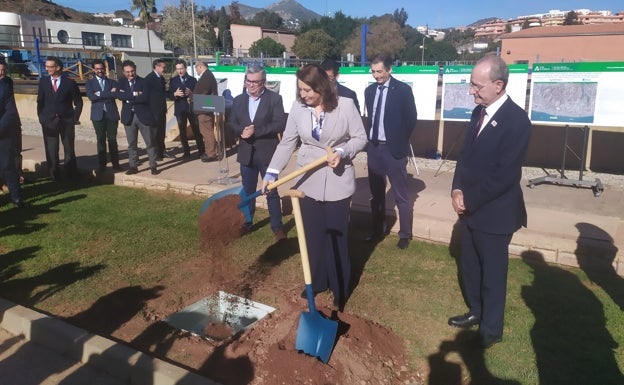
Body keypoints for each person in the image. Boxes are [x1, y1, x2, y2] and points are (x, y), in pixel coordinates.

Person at [262, 64, 367, 309]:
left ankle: (340, 288)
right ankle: (318, 281)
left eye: (307, 90)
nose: (303, 95)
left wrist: (343, 151)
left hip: (337, 180)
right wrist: (271, 171)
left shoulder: (346, 105)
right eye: (300, 90)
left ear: (321, 87)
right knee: (312, 237)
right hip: (307, 181)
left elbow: (360, 138)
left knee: (335, 238)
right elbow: (287, 142)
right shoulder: (298, 108)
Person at [448, 54, 531, 349]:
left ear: (498, 85)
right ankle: (476, 312)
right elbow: (464, 158)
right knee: (470, 265)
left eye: (477, 86)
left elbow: (505, 174)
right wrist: (457, 190)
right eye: (471, 85)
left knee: (492, 274)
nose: (472, 91)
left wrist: (469, 198)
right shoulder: (477, 113)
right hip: (469, 208)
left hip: (495, 213)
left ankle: (491, 329)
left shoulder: (517, 121)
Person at [364, 54, 417, 249]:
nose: (376, 76)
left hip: (394, 150)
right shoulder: (369, 91)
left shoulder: (402, 90)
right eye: (373, 72)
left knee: (401, 196)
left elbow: (411, 118)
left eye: (379, 72)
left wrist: (399, 140)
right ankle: (377, 230)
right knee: (376, 194)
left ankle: (405, 234)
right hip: (374, 149)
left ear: (389, 70)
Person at [228, 65, 286, 240]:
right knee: (248, 190)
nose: (251, 85)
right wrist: (241, 131)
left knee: (271, 190)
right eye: (248, 81)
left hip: (267, 152)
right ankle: (247, 222)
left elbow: (279, 124)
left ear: (263, 82)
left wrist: (256, 130)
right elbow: (231, 123)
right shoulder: (238, 100)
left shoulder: (274, 99)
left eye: (255, 82)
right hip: (246, 152)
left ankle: (277, 227)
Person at [36, 56, 83, 181]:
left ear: (58, 67)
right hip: (48, 122)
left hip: (66, 121)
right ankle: (54, 175)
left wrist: (75, 118)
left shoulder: (70, 83)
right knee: (51, 150)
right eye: (46, 66)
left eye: (50, 67)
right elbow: (40, 102)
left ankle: (71, 174)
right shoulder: (43, 82)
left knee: (69, 149)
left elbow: (78, 102)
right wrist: (41, 118)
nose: (47, 69)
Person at [115, 60, 159, 175]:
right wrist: (135, 94)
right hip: (128, 117)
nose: (130, 74)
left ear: (135, 69)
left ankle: (153, 165)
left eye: (132, 71)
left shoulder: (144, 82)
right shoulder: (121, 82)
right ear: (124, 72)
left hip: (143, 116)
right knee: (132, 143)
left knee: (149, 142)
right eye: (127, 72)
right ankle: (133, 166)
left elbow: (145, 97)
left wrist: (128, 97)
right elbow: (119, 96)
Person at [85, 59, 122, 172]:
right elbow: (92, 97)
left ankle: (116, 164)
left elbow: (115, 94)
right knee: (100, 140)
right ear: (94, 70)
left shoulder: (112, 82)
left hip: (111, 114)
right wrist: (107, 93)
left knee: (112, 140)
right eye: (97, 69)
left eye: (101, 68)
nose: (100, 70)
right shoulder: (90, 83)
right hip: (98, 115)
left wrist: (100, 94)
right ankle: (102, 164)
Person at [0, 61, 25, 207]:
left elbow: (10, 111)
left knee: (8, 165)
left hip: (3, 133)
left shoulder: (5, 86)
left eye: (3, 69)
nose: (1, 72)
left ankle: (16, 197)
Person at [168, 59, 204, 158]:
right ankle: (186, 152)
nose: (180, 71)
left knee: (196, 130)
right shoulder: (173, 80)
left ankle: (201, 151)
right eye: (178, 69)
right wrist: (175, 94)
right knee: (182, 131)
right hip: (180, 109)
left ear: (185, 68)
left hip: (191, 108)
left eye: (181, 69)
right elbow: (169, 95)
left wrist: (191, 94)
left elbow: (198, 94)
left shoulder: (192, 80)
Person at [145, 58, 171, 160]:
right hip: (153, 111)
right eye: (163, 67)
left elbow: (163, 94)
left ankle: (162, 151)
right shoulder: (149, 79)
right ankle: (155, 154)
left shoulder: (161, 78)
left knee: (161, 133)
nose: (164, 69)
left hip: (161, 110)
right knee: (154, 134)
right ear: (157, 67)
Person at [193, 61, 219, 162]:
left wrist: (192, 97)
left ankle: (211, 153)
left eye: (196, 68)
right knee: (206, 130)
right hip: (206, 107)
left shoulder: (206, 77)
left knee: (206, 131)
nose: (196, 70)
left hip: (204, 108)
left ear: (200, 66)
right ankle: (210, 151)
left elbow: (202, 93)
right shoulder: (208, 76)